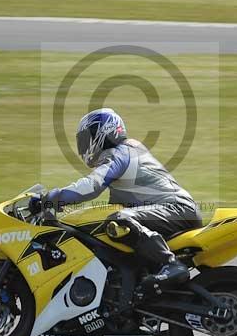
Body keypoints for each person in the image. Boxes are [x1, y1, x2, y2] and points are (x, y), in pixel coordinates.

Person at [30, 108, 202, 292]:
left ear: (104, 132)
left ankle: (171, 264)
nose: (84, 146)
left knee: (120, 220)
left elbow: (92, 185)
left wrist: (54, 198)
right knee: (109, 227)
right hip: (171, 210)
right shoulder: (127, 155)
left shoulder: (121, 152)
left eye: (87, 139)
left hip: (177, 209)